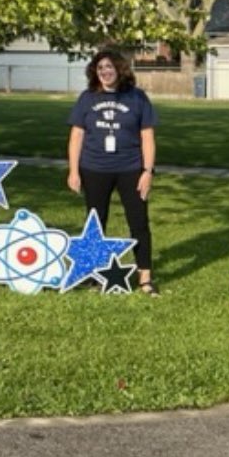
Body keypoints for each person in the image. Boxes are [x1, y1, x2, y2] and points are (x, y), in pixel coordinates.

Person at [67, 49, 158, 295]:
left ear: (120, 69)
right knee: (95, 223)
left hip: (130, 169)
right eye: (100, 69)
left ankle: (145, 278)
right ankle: (94, 275)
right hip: (94, 168)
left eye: (109, 67)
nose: (105, 72)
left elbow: (147, 137)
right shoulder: (87, 98)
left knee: (138, 223)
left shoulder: (137, 98)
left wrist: (147, 171)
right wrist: (73, 171)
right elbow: (77, 135)